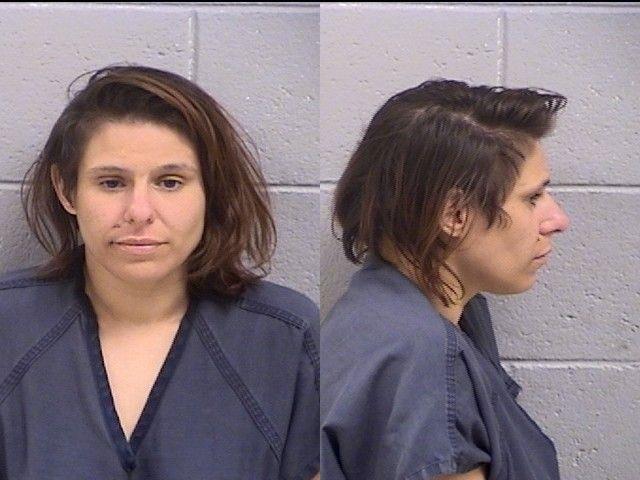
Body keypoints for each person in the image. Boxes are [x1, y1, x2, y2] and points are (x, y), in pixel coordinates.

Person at [0, 65, 319, 479]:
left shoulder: (284, 338)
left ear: (210, 190)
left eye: (169, 182)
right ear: (67, 190)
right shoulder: (9, 325)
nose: (139, 212)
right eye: (111, 183)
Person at [321, 79, 570, 480]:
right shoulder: (427, 363)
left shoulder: (392, 313)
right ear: (454, 215)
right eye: (532, 198)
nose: (557, 220)